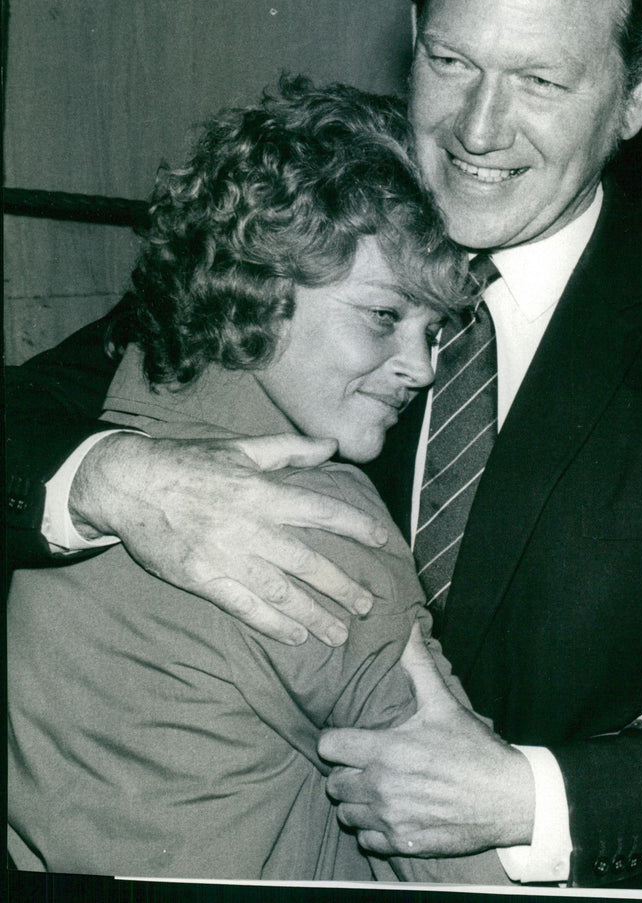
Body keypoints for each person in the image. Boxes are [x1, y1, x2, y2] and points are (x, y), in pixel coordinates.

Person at [5, 0, 642, 889]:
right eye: (450, 61)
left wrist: (533, 799)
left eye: (538, 80)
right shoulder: (304, 245)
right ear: (414, 32)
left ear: (639, 93)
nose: (477, 128)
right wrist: (116, 479)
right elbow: (24, 412)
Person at [8, 76, 515, 884]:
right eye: (385, 316)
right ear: (259, 287)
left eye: (433, 330)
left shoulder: (96, 437)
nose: (421, 368)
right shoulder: (313, 516)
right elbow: (464, 856)